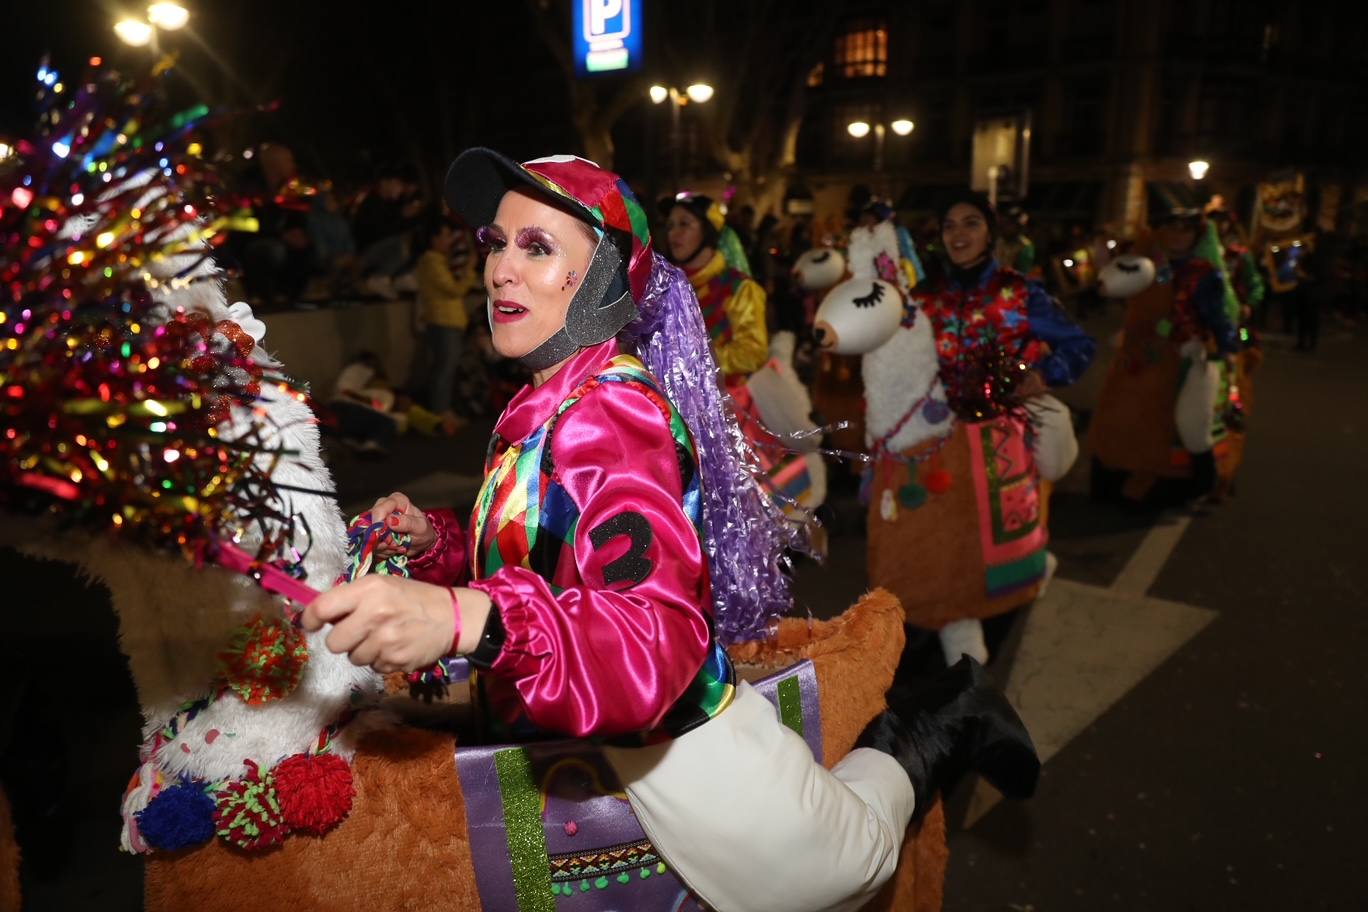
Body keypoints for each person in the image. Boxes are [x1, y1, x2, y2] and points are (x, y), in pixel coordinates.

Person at [300, 149, 1037, 911]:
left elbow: (657, 639)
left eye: (537, 247)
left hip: (668, 743)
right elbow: (537, 546)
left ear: (607, 278)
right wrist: (438, 543)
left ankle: (947, 714)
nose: (498, 271)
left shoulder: (614, 413)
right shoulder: (545, 401)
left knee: (846, 864)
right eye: (495, 243)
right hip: (565, 713)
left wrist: (464, 618)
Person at [1089, 185, 1240, 507]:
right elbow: (1115, 280)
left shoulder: (1204, 274)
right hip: (1146, 354)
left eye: (1184, 228)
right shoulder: (1147, 261)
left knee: (1191, 422)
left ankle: (1203, 480)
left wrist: (1223, 349)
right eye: (1169, 227)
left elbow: (1219, 319)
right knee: (1120, 412)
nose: (1177, 236)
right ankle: (1116, 476)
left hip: (1191, 355)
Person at [662, 192, 768, 380]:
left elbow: (753, 353)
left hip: (725, 402)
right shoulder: (664, 285)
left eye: (684, 224)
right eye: (670, 225)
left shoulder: (739, 287)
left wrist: (695, 360)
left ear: (708, 231)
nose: (673, 233)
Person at [414, 216, 476, 419]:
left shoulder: (436, 261)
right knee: (444, 370)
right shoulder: (431, 261)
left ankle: (441, 411)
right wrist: (469, 270)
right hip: (443, 323)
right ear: (434, 239)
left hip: (445, 322)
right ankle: (441, 412)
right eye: (445, 236)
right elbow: (454, 289)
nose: (449, 241)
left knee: (443, 368)